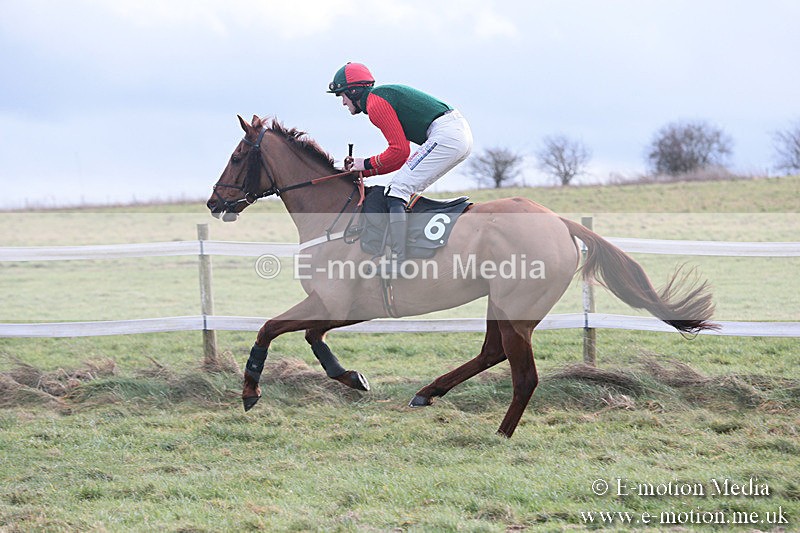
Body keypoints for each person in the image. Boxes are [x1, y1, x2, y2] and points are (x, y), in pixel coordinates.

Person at [327, 62, 473, 265]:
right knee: (401, 187)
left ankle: (398, 260)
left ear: (353, 91)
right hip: (454, 134)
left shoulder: (375, 103)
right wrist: (364, 171)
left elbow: (399, 152)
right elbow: (400, 159)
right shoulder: (378, 99)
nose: (342, 102)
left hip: (447, 135)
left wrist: (363, 163)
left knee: (398, 189)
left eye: (341, 95)